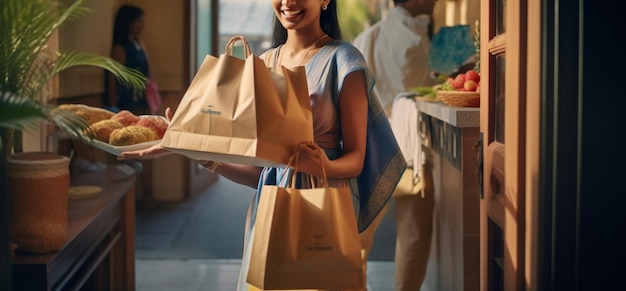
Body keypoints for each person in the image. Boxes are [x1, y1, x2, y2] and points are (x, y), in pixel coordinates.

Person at [119, 0, 406, 290]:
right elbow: (263, 174)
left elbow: (357, 158)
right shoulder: (263, 64)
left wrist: (323, 165)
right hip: (270, 207)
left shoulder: (344, 59)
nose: (288, 2)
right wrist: (194, 152)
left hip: (323, 204)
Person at [352, 0, 439, 290]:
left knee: (358, 233)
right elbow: (419, 87)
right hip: (408, 145)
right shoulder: (413, 32)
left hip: (368, 146)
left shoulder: (367, 36)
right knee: (414, 232)